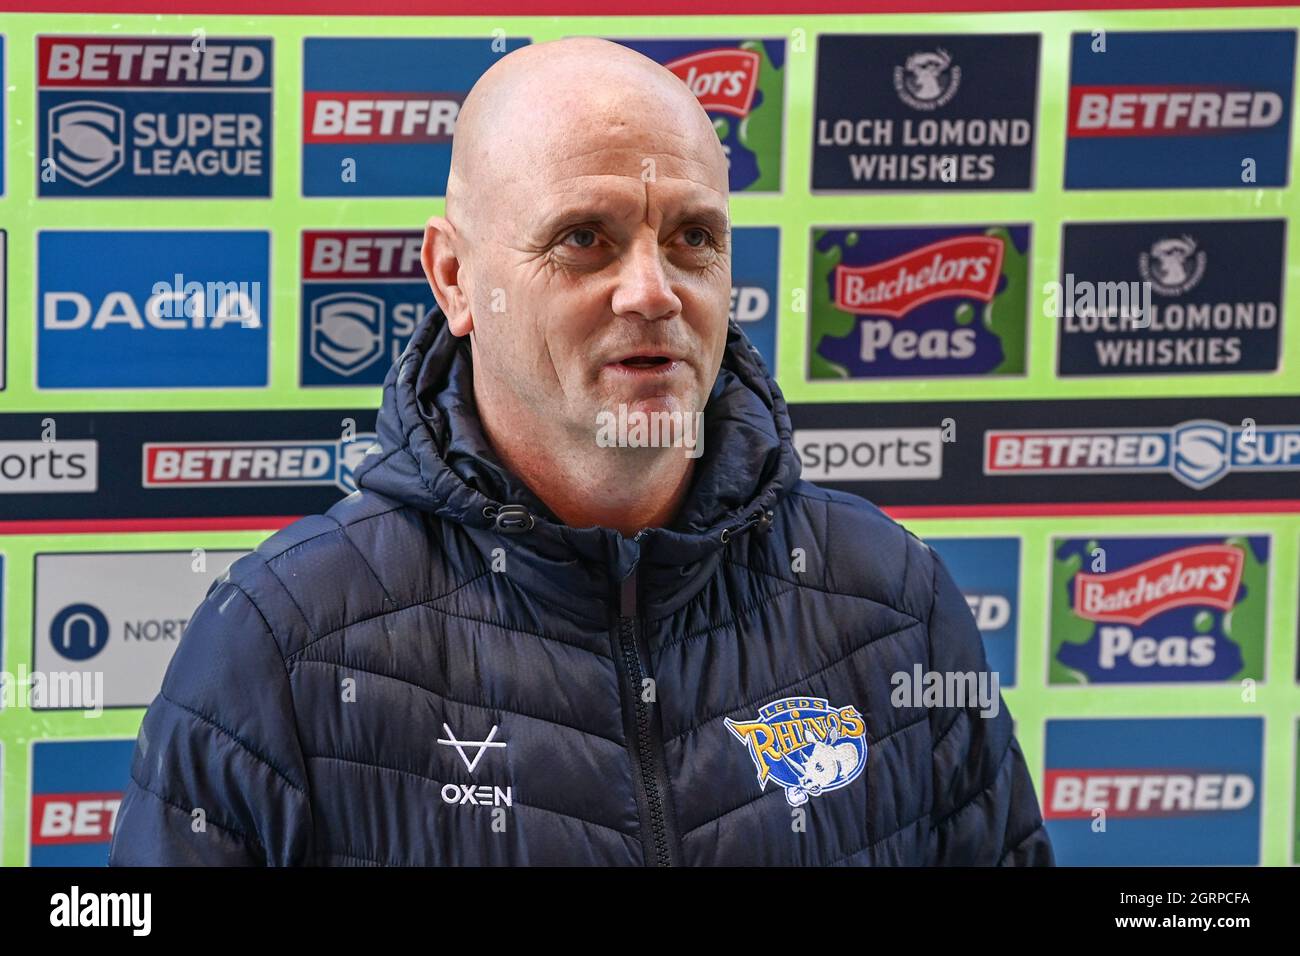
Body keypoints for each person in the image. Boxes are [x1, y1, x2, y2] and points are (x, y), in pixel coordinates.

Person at [109, 37, 1053, 866]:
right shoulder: (279, 645)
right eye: (584, 240)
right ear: (455, 277)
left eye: (692, 238)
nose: (653, 291)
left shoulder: (895, 602)